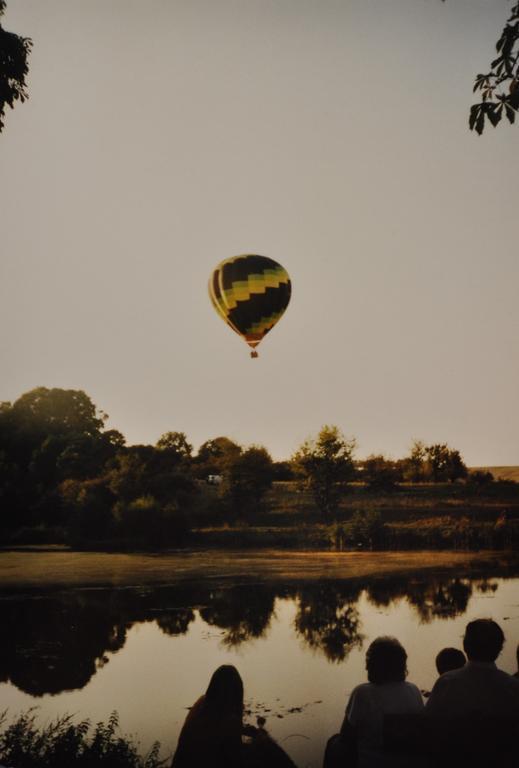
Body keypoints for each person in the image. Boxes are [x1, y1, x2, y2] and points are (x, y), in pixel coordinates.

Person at [324, 636, 424, 768]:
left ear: (373, 665)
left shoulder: (362, 693)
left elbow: (346, 737)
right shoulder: (414, 690)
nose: (366, 667)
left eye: (368, 662)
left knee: (334, 743)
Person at [172, 665, 296, 768]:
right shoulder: (229, 721)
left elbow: (215, 735)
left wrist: (243, 730)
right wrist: (261, 740)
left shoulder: (201, 703)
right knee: (268, 750)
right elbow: (236, 761)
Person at [426, 619, 519, 719]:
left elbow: (427, 723)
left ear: (465, 646)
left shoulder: (446, 683)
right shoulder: (513, 687)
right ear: (500, 648)